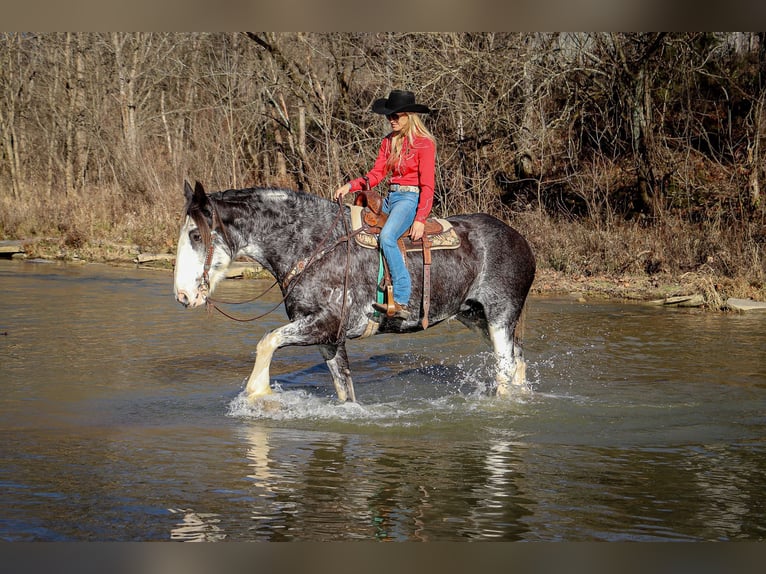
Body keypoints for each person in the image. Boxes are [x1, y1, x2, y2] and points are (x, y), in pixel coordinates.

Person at [335, 89, 436, 320]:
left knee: (387, 237)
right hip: (390, 197)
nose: (391, 120)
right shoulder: (388, 142)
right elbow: (377, 174)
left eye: (396, 116)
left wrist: (420, 218)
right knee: (358, 228)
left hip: (409, 200)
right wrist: (350, 186)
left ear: (409, 116)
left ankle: (401, 298)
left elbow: (428, 185)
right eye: (389, 116)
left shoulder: (424, 144)